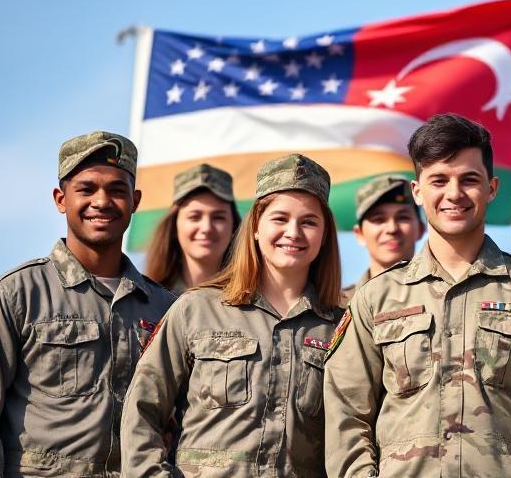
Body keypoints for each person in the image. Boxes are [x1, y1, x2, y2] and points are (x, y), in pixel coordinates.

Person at [324, 113, 511, 477]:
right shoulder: (377, 297)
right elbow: (346, 411)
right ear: (418, 191)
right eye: (439, 180)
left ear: (491, 188)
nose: (454, 194)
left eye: (469, 180)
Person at [0, 131, 176, 476]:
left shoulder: (167, 309)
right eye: (86, 189)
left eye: (116, 190)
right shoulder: (15, 295)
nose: (102, 201)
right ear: (60, 199)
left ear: (135, 200)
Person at [120, 154, 344, 477]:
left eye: (308, 222)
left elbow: (352, 430)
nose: (293, 232)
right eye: (279, 219)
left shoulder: (339, 327)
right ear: (254, 227)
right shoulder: (197, 308)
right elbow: (143, 409)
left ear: (324, 236)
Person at [145, 163, 240, 295]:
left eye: (218, 217)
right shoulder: (151, 300)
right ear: (174, 226)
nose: (206, 228)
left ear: (234, 227)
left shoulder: (252, 300)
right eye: (194, 217)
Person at [341, 174, 424, 304]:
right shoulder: (337, 308)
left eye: (403, 217)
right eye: (378, 219)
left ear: (420, 229)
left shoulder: (441, 297)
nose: (392, 229)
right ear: (359, 234)